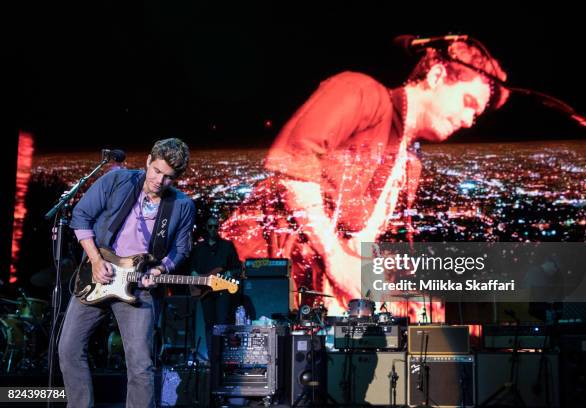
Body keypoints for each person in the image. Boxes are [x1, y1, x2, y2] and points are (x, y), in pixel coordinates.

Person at [221, 37, 510, 315]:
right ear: (436, 76)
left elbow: (356, 245)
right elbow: (295, 162)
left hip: (298, 294)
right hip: (252, 275)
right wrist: (334, 257)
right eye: (469, 101)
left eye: (477, 114)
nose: (469, 119)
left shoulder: (409, 162)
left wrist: (392, 299)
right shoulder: (361, 92)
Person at [58, 138, 195, 408]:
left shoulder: (181, 205)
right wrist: (96, 260)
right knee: (69, 349)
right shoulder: (117, 181)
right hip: (98, 275)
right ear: (147, 161)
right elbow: (80, 216)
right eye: (156, 171)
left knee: (141, 364)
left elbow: (181, 249)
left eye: (168, 177)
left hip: (138, 286)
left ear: (177, 178)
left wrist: (161, 268)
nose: (159, 180)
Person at [190, 215, 242, 360]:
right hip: (205, 292)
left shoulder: (227, 246)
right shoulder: (199, 248)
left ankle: (222, 356)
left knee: (222, 323)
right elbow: (193, 267)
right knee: (209, 324)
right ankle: (212, 357)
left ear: (218, 228)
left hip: (222, 291)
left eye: (215, 226)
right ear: (206, 228)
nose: (213, 229)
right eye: (210, 226)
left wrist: (230, 272)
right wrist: (194, 273)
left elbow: (238, 268)